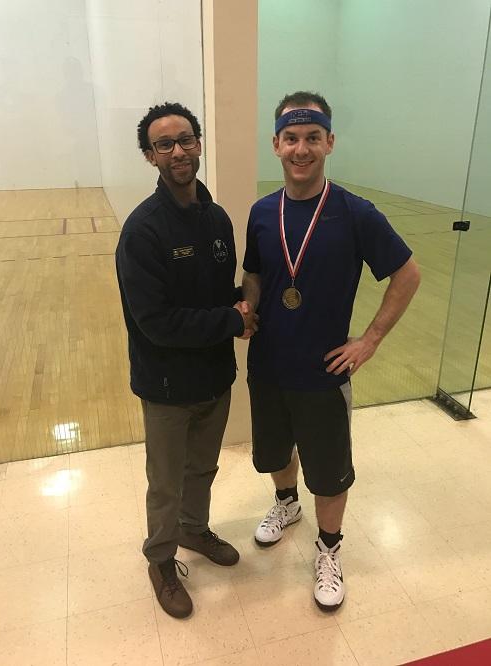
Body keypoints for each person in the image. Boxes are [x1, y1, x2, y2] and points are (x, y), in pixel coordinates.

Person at [242, 91, 421, 612]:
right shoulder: (260, 213)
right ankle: (285, 504)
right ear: (276, 144)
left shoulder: (354, 213)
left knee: (328, 468)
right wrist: (249, 307)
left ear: (330, 142)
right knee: (276, 453)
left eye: (312, 138)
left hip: (324, 372)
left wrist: (370, 340)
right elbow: (255, 273)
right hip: (268, 366)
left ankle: (329, 549)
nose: (302, 148)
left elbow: (407, 274)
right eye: (292, 138)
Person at [116, 101, 257, 619]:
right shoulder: (143, 231)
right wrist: (234, 320)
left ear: (199, 143)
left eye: (186, 139)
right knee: (166, 482)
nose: (178, 151)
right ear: (150, 156)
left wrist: (252, 299)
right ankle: (160, 558)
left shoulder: (216, 218)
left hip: (215, 377)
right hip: (167, 386)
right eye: (164, 144)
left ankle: (195, 531)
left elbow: (219, 294)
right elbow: (158, 321)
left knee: (204, 468)